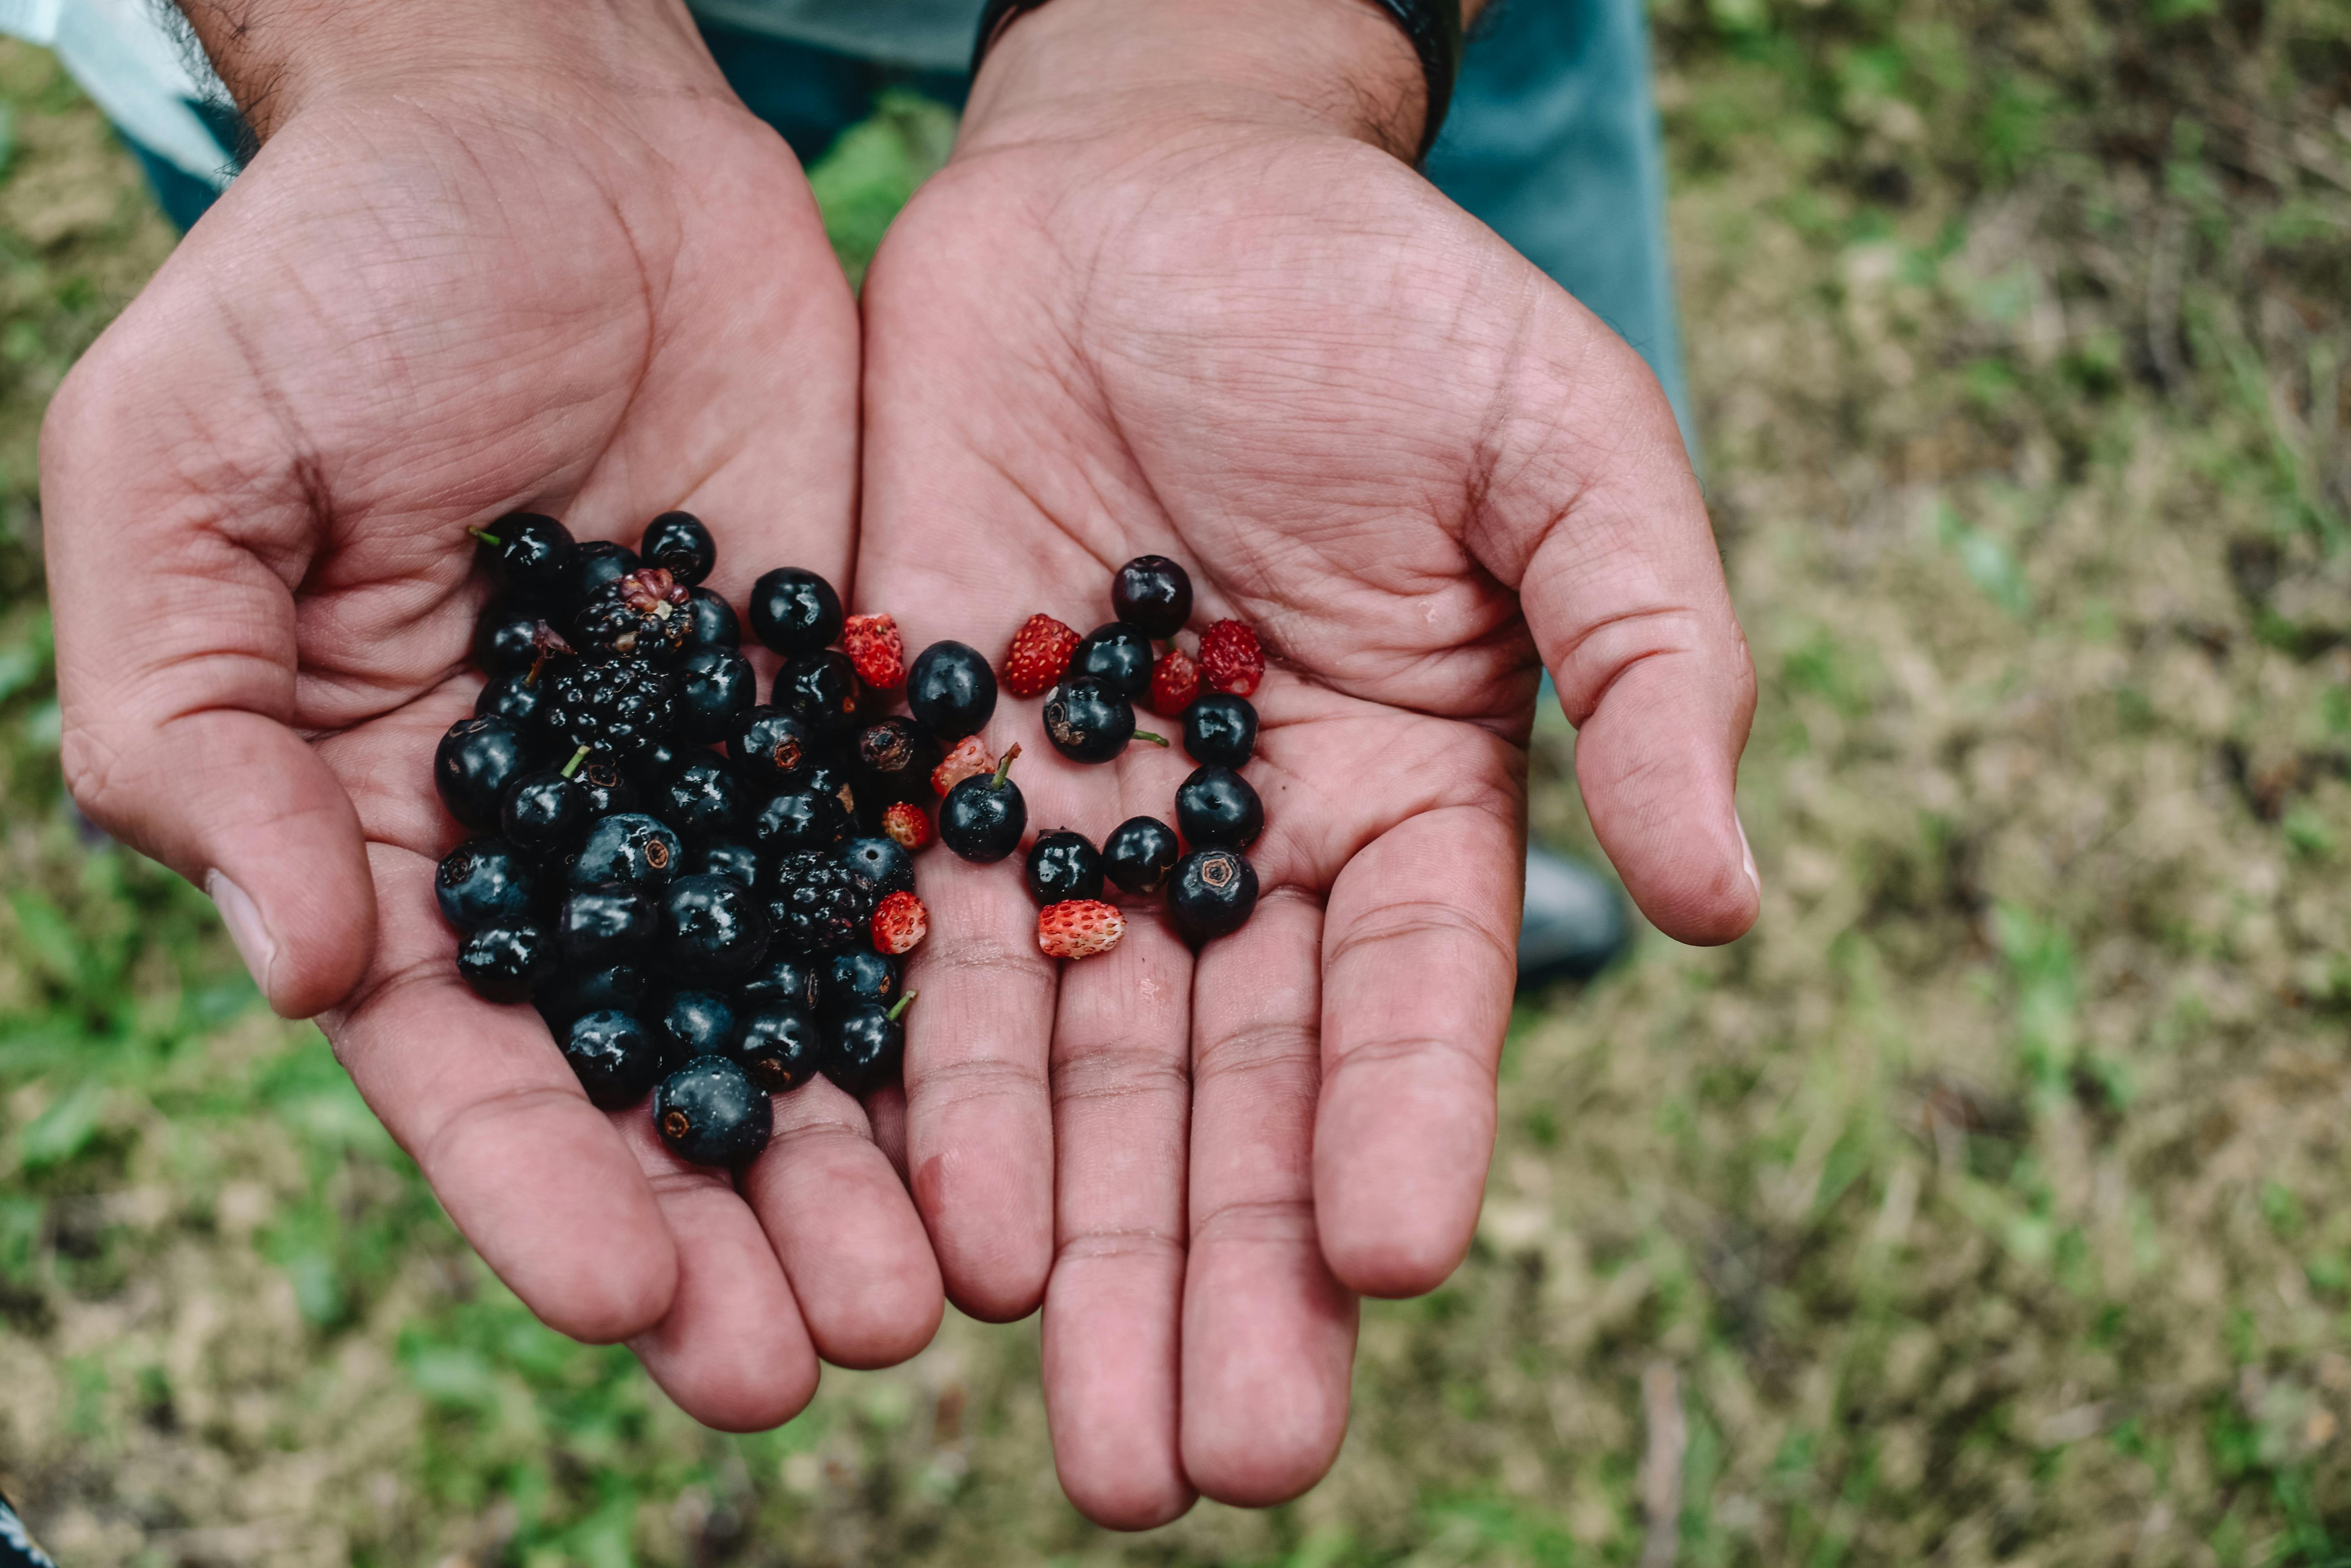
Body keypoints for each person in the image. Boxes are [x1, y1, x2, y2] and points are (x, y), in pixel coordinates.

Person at [29, 0, 1758, 1529]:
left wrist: (1251, 50)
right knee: (345, 552)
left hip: (1336, 45)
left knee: (1426, 564)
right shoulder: (675, 777)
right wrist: (426, 51)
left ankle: (1449, 839)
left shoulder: (913, 763)